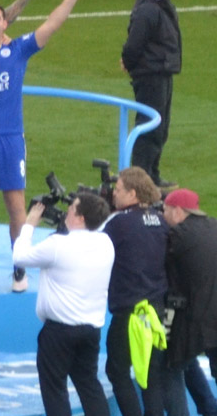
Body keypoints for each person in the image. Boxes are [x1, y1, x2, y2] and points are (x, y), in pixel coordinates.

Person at [0, 0, 90, 293]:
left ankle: (19, 267)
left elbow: (50, 25)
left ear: (5, 24)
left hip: (10, 142)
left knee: (15, 205)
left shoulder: (17, 50)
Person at [13, 194, 114, 416]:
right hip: (90, 330)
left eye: (72, 209)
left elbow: (19, 257)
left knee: (54, 390)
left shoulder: (57, 245)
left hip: (59, 333)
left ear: (80, 217)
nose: (67, 211)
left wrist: (29, 225)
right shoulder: (106, 243)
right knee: (89, 384)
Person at [102, 167, 169, 416]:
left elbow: (96, 249)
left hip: (129, 312)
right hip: (156, 310)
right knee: (151, 375)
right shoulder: (160, 221)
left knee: (117, 371)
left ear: (132, 193)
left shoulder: (119, 224)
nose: (114, 194)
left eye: (118, 190)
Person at [121, 0, 186, 189]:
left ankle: (152, 176)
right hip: (151, 75)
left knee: (160, 127)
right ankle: (141, 181)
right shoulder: (149, 8)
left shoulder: (160, 4)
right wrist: (130, 63)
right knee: (150, 128)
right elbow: (133, 45)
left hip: (161, 72)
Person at [162, 189, 217, 414]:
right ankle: (209, 408)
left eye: (165, 211)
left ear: (177, 211)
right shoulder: (214, 226)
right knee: (188, 361)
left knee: (171, 365)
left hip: (190, 316)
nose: (163, 216)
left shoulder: (177, 236)